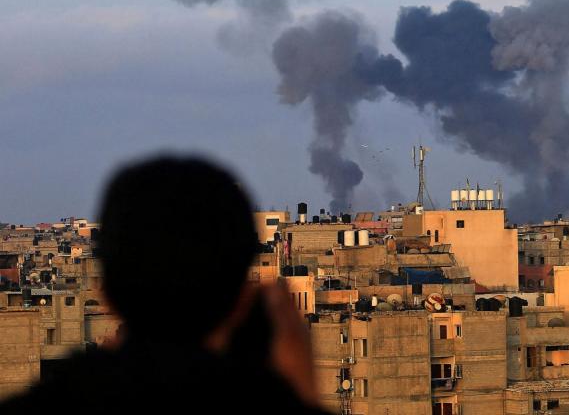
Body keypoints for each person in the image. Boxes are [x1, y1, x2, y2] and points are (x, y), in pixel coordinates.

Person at [1, 155, 326, 412]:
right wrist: (299, 392)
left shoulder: (60, 400)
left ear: (105, 296)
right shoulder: (257, 397)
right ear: (243, 299)